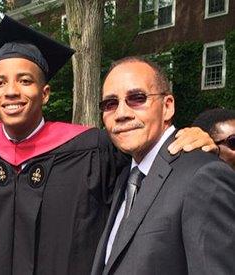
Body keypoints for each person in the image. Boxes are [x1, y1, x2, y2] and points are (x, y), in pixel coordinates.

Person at [0, 16, 216, 275]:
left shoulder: (94, 149)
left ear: (45, 94)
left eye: (25, 80)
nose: (11, 91)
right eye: (0, 83)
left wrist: (189, 138)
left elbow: (155, 169)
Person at [90, 57, 235, 275]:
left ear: (167, 106)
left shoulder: (203, 175)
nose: (121, 113)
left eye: (137, 98)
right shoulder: (126, 177)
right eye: (110, 104)